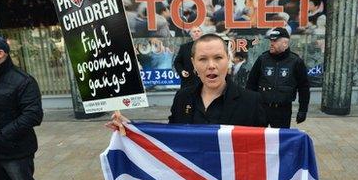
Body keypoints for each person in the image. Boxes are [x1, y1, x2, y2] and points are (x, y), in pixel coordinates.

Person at [108, 33, 267, 131]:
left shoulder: (252, 102)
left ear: (229, 60)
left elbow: (263, 150)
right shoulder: (182, 98)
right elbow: (170, 138)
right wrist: (131, 128)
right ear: (194, 63)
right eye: (203, 59)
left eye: (218, 58)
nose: (211, 65)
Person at [0, 35, 43, 180]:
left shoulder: (23, 81)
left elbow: (33, 115)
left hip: (16, 148)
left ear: (0, 53)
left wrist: (2, 134)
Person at [246, 27, 310, 128]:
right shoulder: (263, 59)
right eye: (271, 40)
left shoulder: (296, 62)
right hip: (262, 108)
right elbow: (251, 84)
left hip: (282, 111)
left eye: (275, 41)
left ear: (285, 43)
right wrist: (249, 106)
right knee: (259, 140)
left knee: (280, 141)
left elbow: (304, 88)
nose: (271, 43)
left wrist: (303, 110)